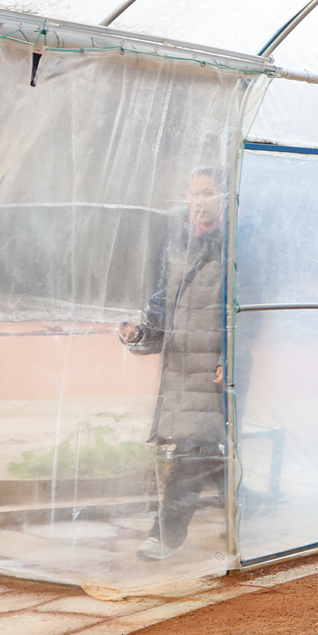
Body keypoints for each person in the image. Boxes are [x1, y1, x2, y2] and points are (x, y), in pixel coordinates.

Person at [119, 166, 229, 561]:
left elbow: (243, 311)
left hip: (211, 372)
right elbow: (164, 305)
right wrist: (139, 335)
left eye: (209, 192)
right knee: (204, 451)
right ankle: (243, 508)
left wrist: (228, 359)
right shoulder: (178, 242)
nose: (201, 200)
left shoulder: (232, 245)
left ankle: (163, 537)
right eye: (194, 193)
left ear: (224, 197)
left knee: (191, 451)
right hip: (180, 371)